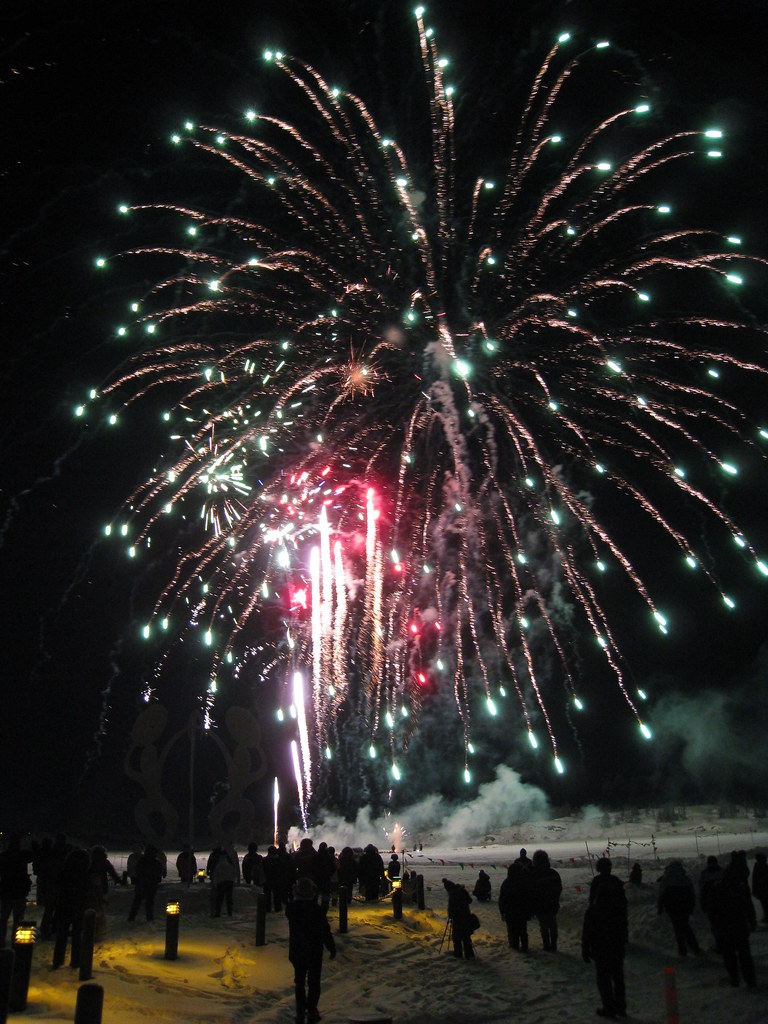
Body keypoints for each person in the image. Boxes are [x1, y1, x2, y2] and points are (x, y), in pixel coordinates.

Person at [285, 876, 336, 1024]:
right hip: (314, 950)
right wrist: (331, 946)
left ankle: (300, 1011)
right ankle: (312, 1009)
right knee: (314, 982)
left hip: (297, 949)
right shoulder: (317, 910)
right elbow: (325, 930)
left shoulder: (292, 909)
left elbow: (290, 906)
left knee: (299, 982)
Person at [582, 859, 629, 1020]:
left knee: (604, 979)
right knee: (618, 977)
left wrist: (586, 948)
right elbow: (623, 911)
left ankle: (609, 1007)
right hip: (616, 945)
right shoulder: (616, 884)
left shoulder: (594, 909)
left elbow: (587, 930)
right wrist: (624, 937)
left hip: (601, 948)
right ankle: (620, 1006)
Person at [708, 861, 757, 987]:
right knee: (744, 954)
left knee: (729, 955)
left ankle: (734, 978)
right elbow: (748, 906)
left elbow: (712, 909)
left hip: (725, 927)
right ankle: (749, 979)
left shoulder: (717, 888)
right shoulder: (740, 888)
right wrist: (752, 921)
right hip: (739, 925)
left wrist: (714, 924)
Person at [53, 845, 90, 968]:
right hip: (78, 908)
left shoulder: (64, 873)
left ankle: (57, 960)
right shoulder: (84, 875)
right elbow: (87, 892)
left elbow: (58, 888)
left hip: (63, 906)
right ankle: (75, 960)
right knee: (77, 935)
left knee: (61, 934)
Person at [657, 860, 700, 956]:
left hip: (672, 908)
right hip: (685, 908)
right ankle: (694, 946)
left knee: (678, 928)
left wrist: (660, 907)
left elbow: (661, 894)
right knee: (685, 926)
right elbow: (692, 894)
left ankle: (682, 949)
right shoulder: (685, 879)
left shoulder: (666, 880)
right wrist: (692, 906)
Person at [0, 834, 33, 948]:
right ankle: (15, 941)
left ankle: (1, 941)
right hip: (19, 893)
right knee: (18, 920)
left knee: (3, 919)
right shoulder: (22, 856)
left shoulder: (4, 856)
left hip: (6, 892)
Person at [531, 849, 562, 952]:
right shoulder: (554, 873)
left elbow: (531, 891)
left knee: (544, 925)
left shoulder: (534, 875)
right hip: (552, 904)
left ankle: (546, 945)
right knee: (552, 924)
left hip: (540, 905)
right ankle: (553, 945)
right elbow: (559, 889)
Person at [498, 862, 532, 952]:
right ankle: (524, 947)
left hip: (511, 912)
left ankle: (514, 946)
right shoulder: (523, 882)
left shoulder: (506, 883)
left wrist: (502, 911)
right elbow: (528, 897)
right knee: (522, 930)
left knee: (512, 931)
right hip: (521, 911)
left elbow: (502, 899)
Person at [127, 844, 163, 922]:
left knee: (137, 902)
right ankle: (149, 918)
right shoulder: (155, 862)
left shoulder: (142, 861)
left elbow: (137, 871)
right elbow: (159, 874)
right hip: (149, 885)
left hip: (142, 885)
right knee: (148, 902)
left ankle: (132, 917)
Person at [442, 878, 475, 959]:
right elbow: (470, 900)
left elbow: (451, 909)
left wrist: (451, 915)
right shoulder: (462, 891)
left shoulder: (452, 895)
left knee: (457, 938)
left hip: (457, 919)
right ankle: (469, 954)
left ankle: (458, 954)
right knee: (466, 937)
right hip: (466, 917)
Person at [212, 850, 236, 917]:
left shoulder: (219, 866)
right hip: (229, 882)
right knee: (229, 898)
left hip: (221, 882)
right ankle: (229, 912)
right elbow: (234, 873)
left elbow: (216, 875)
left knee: (220, 898)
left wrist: (215, 884)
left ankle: (218, 912)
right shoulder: (229, 865)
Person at [751, 852, 768, 923]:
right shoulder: (763, 866)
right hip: (763, 889)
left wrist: (754, 890)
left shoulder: (757, 867)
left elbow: (754, 880)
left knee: (765, 904)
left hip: (761, 890)